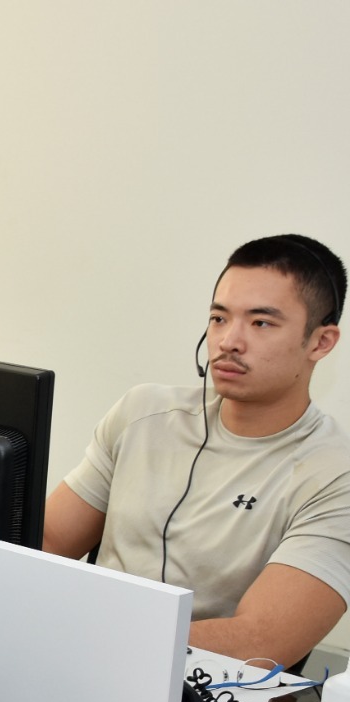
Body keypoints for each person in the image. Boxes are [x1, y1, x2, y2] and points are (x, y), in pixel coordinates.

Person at [43, 234, 350, 669]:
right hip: (74, 659)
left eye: (260, 323)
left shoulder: (335, 474)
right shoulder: (143, 413)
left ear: (320, 342)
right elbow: (49, 541)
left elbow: (261, 641)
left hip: (202, 695)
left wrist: (96, 636)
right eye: (219, 318)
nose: (228, 341)